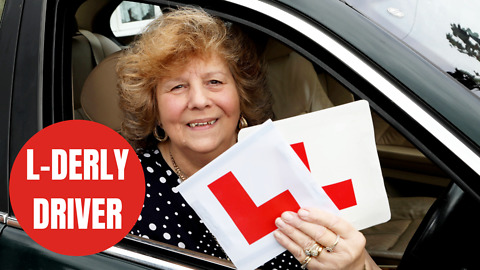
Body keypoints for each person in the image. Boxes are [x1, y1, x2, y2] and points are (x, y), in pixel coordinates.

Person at [117, 7, 380, 270]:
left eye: (215, 82)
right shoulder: (121, 188)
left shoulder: (290, 161)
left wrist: (355, 265)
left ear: (241, 96)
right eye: (177, 86)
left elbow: (361, 261)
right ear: (154, 108)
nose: (199, 101)